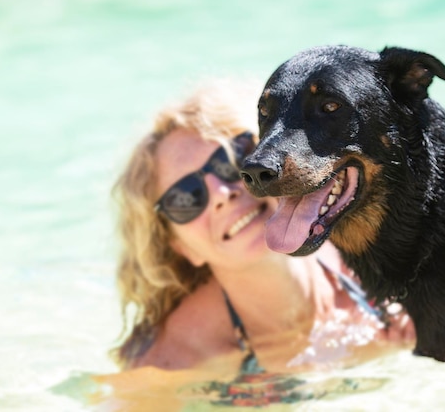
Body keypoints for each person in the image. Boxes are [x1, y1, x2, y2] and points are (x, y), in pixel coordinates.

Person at [109, 78, 415, 375]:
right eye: (186, 197)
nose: (221, 194)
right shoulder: (175, 361)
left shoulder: (385, 268)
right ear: (179, 246)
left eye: (229, 162)